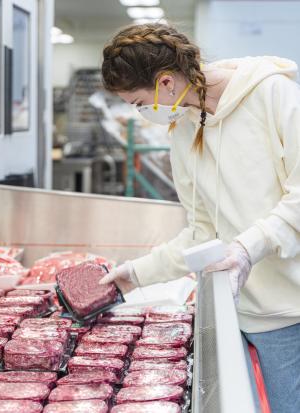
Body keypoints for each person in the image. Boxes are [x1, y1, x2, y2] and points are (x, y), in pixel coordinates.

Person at [99, 23, 300, 413]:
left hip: (290, 309)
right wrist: (134, 274)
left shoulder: (274, 95)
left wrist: (247, 247)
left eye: (138, 102)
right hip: (233, 307)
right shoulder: (183, 127)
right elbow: (202, 232)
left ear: (167, 83)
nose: (141, 114)